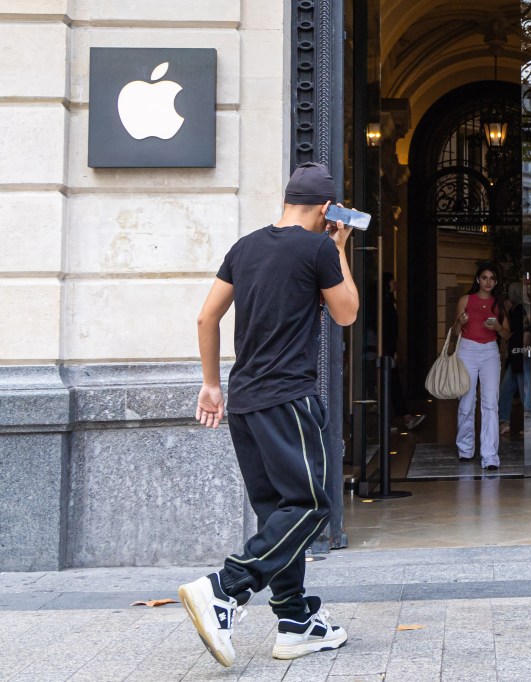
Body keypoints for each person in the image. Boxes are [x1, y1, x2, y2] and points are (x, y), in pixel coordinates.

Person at [177, 162, 359, 667]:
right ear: (327, 209)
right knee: (310, 505)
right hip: (289, 399)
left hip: (246, 400)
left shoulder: (246, 246)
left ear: (287, 200)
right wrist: (340, 250)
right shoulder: (320, 247)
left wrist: (212, 385)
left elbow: (206, 315)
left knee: (277, 508)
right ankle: (226, 588)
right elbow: (347, 312)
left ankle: (296, 621)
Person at [452, 263, 510, 469]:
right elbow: (455, 331)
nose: (488, 282)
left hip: (490, 352)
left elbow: (507, 335)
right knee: (466, 402)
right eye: (484, 277)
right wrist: (461, 321)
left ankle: (490, 455)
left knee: (490, 403)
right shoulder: (465, 300)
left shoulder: (499, 304)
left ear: (495, 282)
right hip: (467, 350)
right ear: (477, 279)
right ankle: (465, 449)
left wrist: (497, 327)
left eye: (492, 278)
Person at [381, 272, 424, 431]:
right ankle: (402, 418)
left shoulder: (388, 301)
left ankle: (402, 418)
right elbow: (386, 329)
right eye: (392, 280)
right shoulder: (383, 303)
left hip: (388, 350)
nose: (395, 282)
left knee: (392, 383)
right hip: (384, 350)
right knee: (390, 384)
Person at [499, 282, 531, 435]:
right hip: (521, 354)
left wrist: (522, 350)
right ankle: (506, 421)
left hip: (520, 354)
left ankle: (530, 421)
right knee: (509, 389)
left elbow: (522, 332)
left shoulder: (518, 310)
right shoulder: (525, 308)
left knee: (522, 389)